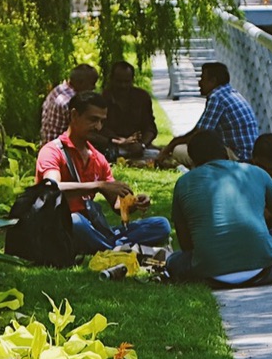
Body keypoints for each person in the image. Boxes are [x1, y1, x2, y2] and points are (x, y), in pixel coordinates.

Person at [164, 131, 272, 287]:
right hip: (264, 271)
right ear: (225, 152)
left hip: (210, 276)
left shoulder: (183, 183)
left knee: (173, 260)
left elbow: (187, 245)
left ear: (193, 160)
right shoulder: (255, 172)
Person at [35, 91, 171, 255]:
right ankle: (114, 247)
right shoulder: (52, 151)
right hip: (59, 226)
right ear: (74, 115)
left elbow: (116, 204)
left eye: (101, 121)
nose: (99, 127)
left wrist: (133, 203)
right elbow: (51, 188)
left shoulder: (97, 158)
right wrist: (98, 186)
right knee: (76, 221)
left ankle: (108, 245)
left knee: (161, 224)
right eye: (93, 119)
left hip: (91, 228)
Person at [163, 62, 259, 163]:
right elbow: (199, 129)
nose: (199, 83)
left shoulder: (217, 97)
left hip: (239, 157)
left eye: (202, 78)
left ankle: (200, 173)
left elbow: (200, 135)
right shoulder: (230, 93)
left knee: (179, 150)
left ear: (213, 81)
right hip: (248, 154)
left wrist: (171, 146)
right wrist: (174, 142)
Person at [103, 59, 158, 161]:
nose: (123, 86)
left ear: (132, 80)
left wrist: (141, 145)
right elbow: (100, 128)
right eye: (119, 82)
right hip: (112, 145)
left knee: (158, 155)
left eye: (127, 82)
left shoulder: (142, 97)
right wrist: (121, 141)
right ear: (111, 79)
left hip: (137, 146)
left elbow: (150, 128)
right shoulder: (103, 98)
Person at [39, 64, 98, 144]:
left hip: (46, 144)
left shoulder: (59, 89)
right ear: (80, 82)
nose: (94, 88)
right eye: (92, 83)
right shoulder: (72, 102)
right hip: (61, 149)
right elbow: (82, 132)